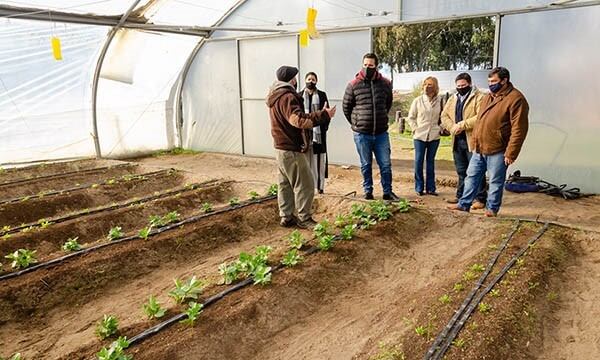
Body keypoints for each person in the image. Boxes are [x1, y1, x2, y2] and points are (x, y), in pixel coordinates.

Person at [449, 66, 529, 217]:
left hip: (498, 149)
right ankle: (464, 204)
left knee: (495, 181)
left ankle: (491, 209)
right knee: (471, 176)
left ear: (505, 81)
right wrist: (475, 141)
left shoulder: (515, 99)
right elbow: (480, 121)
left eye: (494, 81)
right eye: (489, 81)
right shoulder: (489, 96)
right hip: (480, 147)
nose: (491, 84)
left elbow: (519, 129)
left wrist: (511, 152)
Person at [267, 65, 336, 228]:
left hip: (280, 147)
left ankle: (287, 216)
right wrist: (323, 115)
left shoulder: (274, 95)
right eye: (296, 77)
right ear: (292, 79)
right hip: (291, 147)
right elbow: (297, 120)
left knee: (285, 184)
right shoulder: (288, 96)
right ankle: (304, 218)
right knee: (305, 183)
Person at [342, 53, 399, 201]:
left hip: (381, 133)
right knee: (366, 164)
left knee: (385, 164)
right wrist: (357, 123)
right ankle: (368, 191)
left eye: (371, 65)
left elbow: (388, 104)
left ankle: (388, 192)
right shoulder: (353, 84)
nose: (367, 68)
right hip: (362, 134)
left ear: (376, 66)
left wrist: (380, 118)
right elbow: (346, 107)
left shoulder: (385, 84)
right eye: (365, 65)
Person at [441, 72, 487, 207]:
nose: (461, 88)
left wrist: (462, 125)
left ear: (469, 84)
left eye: (463, 85)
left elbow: (480, 116)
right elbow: (444, 116)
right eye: (458, 86)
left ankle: (480, 198)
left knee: (476, 170)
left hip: (472, 139)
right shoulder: (453, 98)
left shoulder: (479, 97)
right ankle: (461, 196)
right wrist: (452, 127)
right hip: (457, 140)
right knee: (461, 170)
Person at [407, 76, 442, 196]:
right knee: (418, 161)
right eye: (425, 84)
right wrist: (415, 129)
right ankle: (419, 188)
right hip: (420, 136)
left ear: (435, 87)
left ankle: (431, 188)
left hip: (434, 136)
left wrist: (441, 128)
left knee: (430, 162)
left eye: (430, 84)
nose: (427, 87)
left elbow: (443, 117)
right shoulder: (418, 100)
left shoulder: (440, 101)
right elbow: (411, 117)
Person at [299, 72, 330, 194]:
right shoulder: (299, 96)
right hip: (304, 134)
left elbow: (327, 114)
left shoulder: (322, 95)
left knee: (319, 161)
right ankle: (307, 187)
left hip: (319, 134)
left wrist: (323, 128)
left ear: (316, 81)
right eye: (309, 79)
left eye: (313, 79)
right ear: (305, 80)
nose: (311, 81)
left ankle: (320, 186)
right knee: (306, 161)